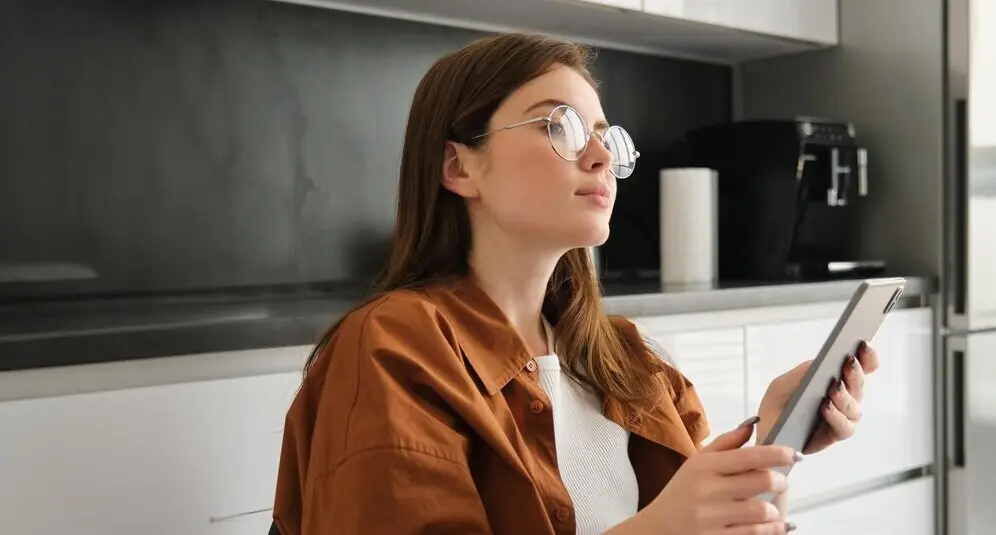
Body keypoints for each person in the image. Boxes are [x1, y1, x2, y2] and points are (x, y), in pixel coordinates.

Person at [271, 32, 880, 535]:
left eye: (605, 136)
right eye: (557, 126)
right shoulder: (391, 348)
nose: (597, 157)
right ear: (459, 167)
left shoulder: (631, 360)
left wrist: (775, 446)